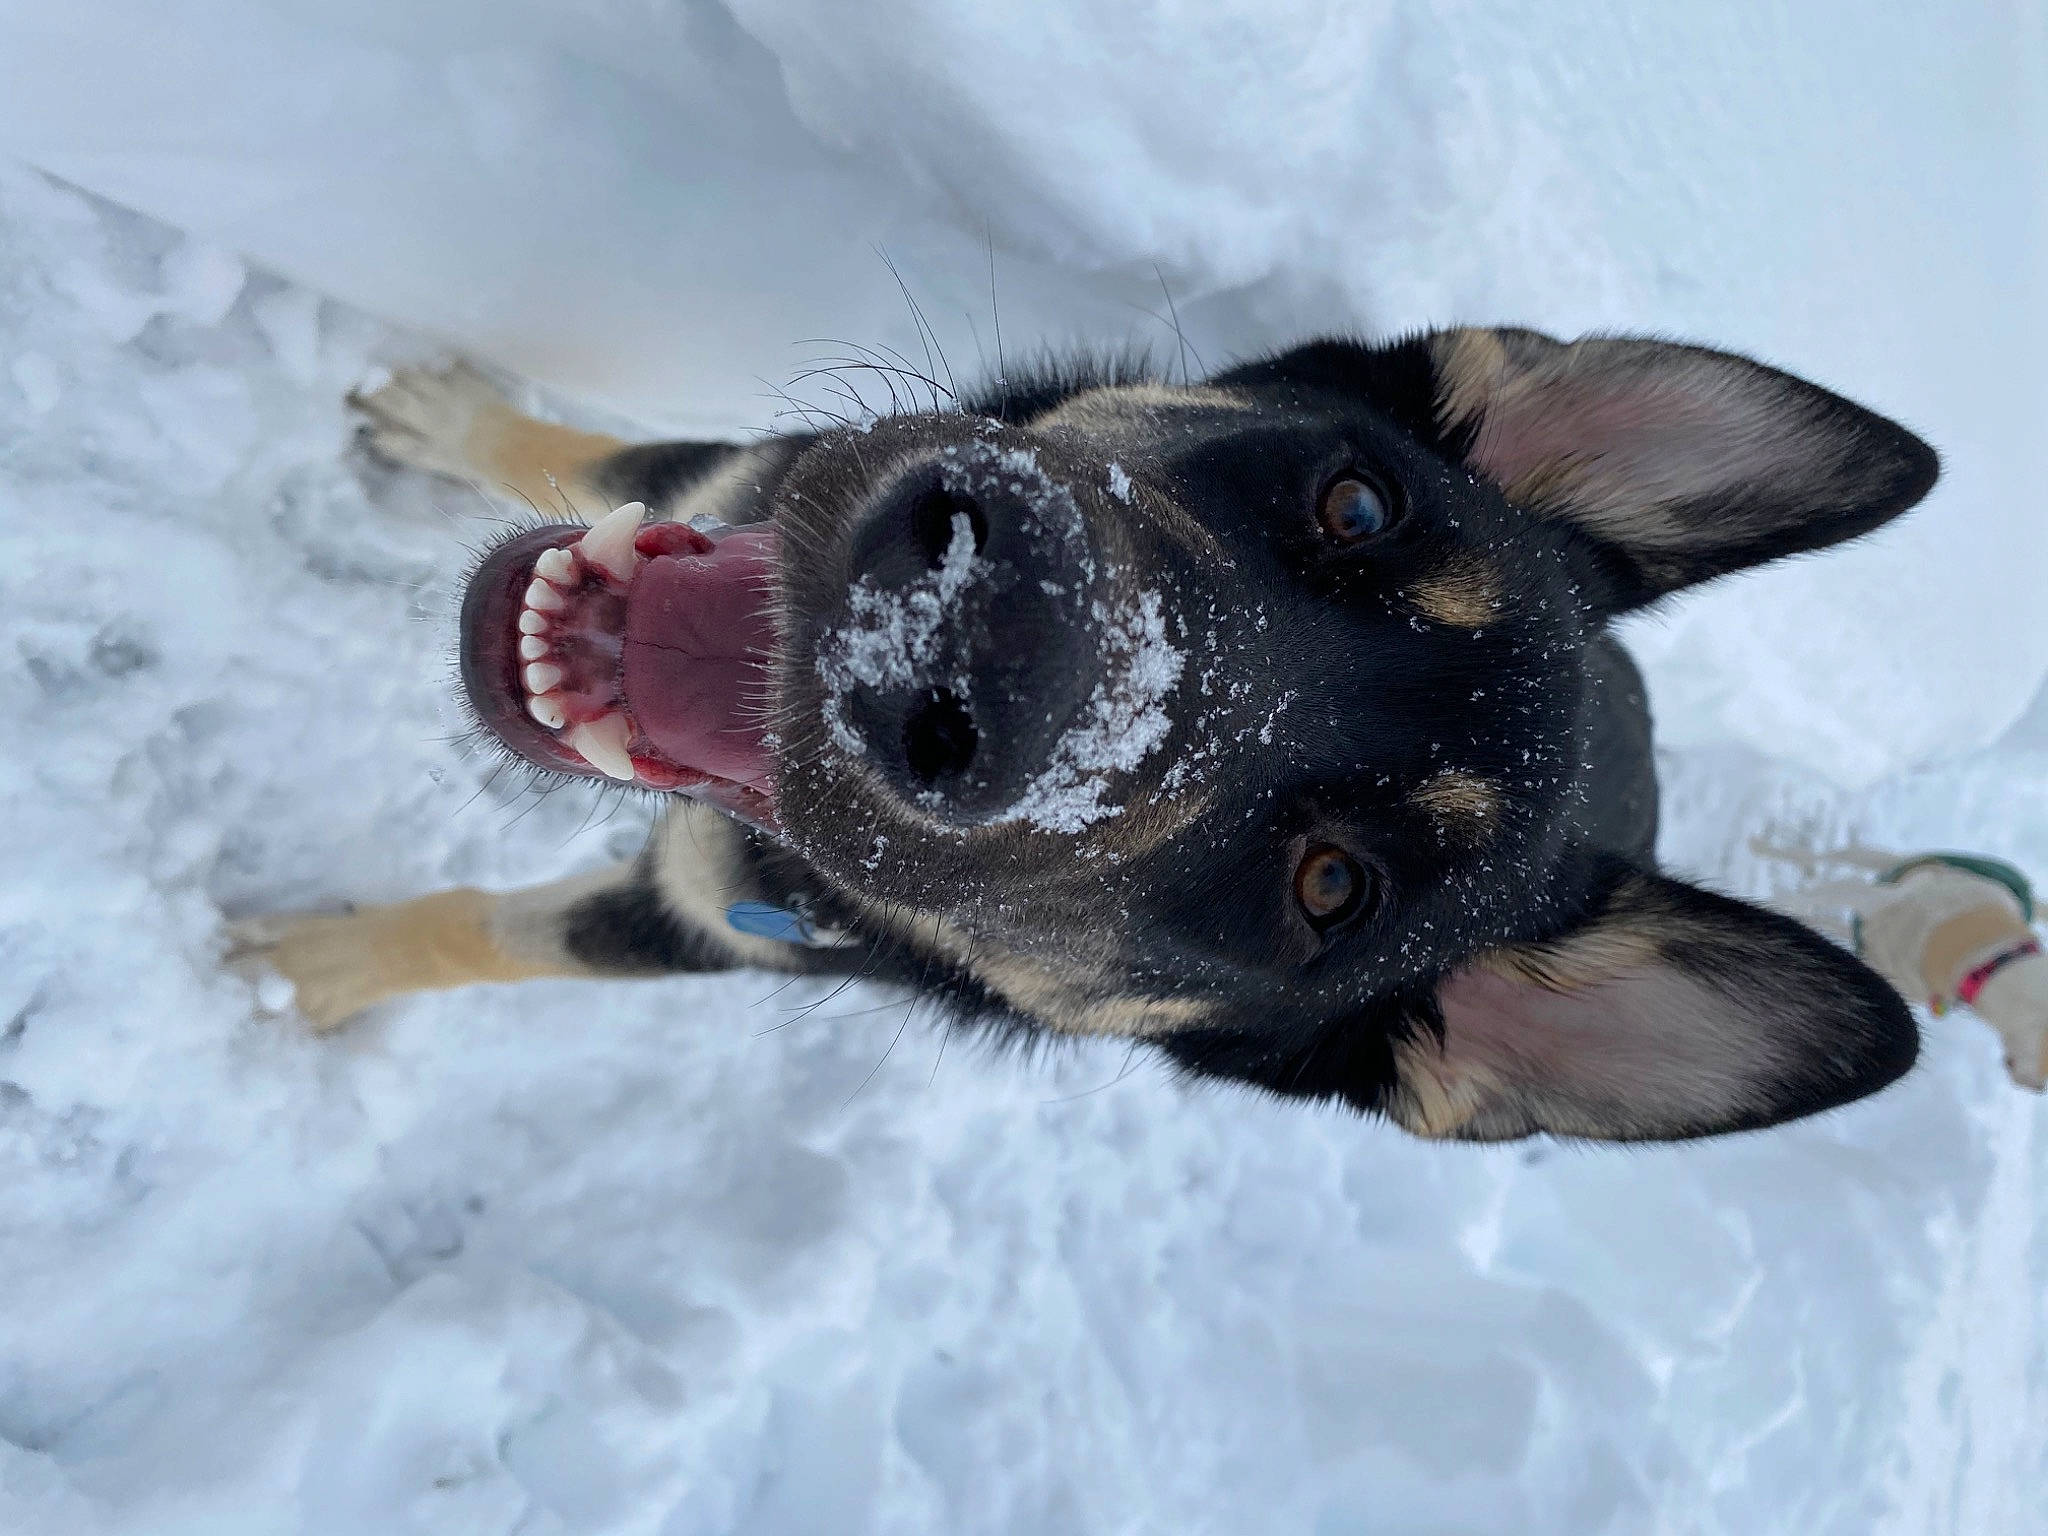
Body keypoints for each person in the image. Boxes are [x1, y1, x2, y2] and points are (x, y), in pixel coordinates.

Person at [1758, 840, 2048, 1091]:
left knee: (1880, 949)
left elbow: (2026, 1066)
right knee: (1900, 908)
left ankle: (1792, 908)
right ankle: (1797, 887)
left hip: (1947, 972)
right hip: (1969, 925)